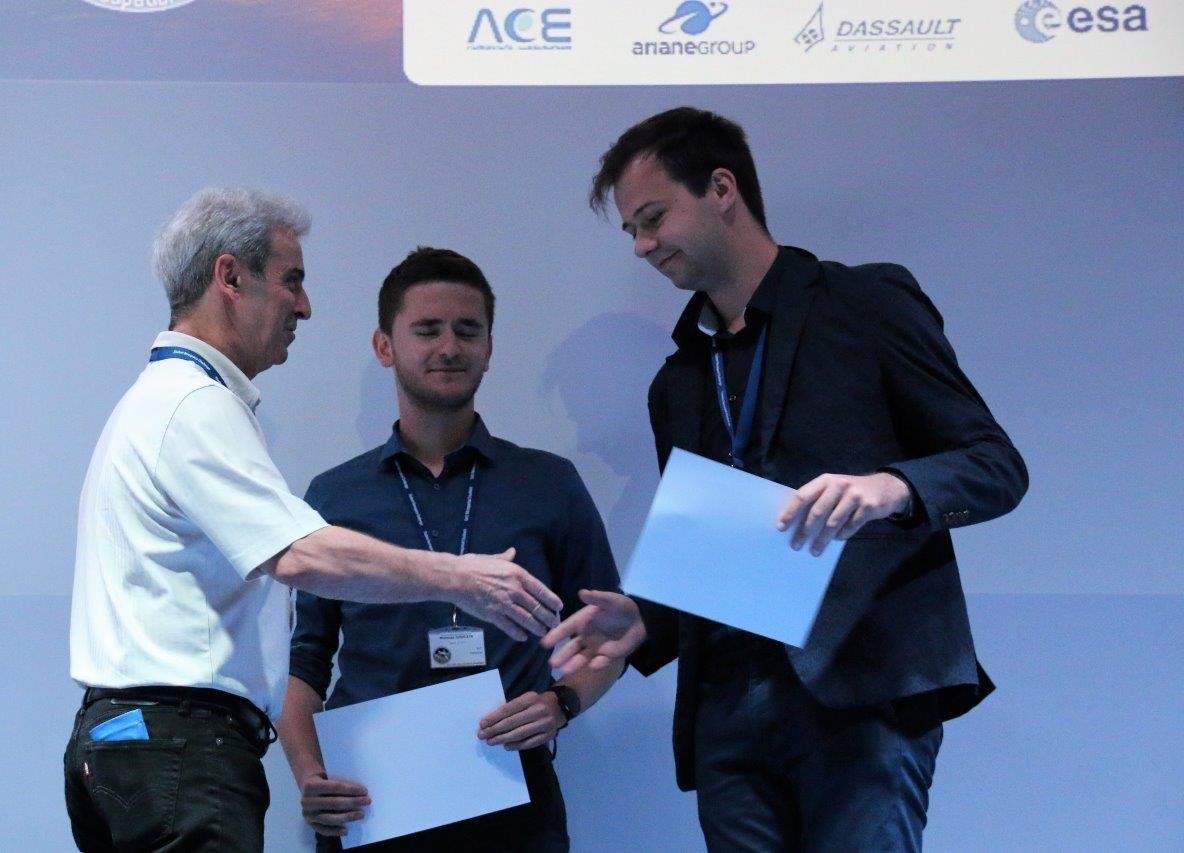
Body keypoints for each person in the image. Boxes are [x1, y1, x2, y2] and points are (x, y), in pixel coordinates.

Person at [545, 108, 1028, 850]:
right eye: (632, 231)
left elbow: (995, 465)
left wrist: (892, 487)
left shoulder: (865, 304)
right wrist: (647, 620)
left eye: (653, 218)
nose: (642, 246)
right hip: (725, 710)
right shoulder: (678, 382)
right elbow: (715, 556)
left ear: (722, 189)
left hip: (861, 689)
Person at [64, 190, 562, 852]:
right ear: (230, 276)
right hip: (179, 744)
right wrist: (461, 577)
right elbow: (300, 555)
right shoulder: (192, 404)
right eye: (291, 280)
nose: (304, 306)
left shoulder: (162, 398)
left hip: (141, 743)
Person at [275, 247, 623, 852]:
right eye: (427, 330)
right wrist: (309, 775)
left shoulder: (548, 483)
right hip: (374, 797)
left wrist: (561, 704)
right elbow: (303, 664)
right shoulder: (334, 496)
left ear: (489, 347)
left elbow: (603, 635)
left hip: (513, 793)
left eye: (467, 330)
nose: (449, 347)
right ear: (385, 346)